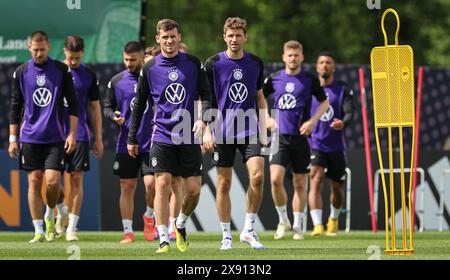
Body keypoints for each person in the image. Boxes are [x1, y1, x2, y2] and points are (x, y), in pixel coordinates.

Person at [128, 18, 213, 253]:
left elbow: (207, 95)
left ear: (179, 37)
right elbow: (139, 105)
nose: (169, 40)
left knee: (194, 191)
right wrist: (132, 137)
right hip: (162, 135)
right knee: (162, 184)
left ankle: (181, 223)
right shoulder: (150, 67)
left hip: (188, 135)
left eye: (173, 36)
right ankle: (164, 238)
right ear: (158, 39)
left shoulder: (193, 64)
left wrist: (202, 119)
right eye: (164, 37)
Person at [205, 17, 270, 250]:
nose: (234, 39)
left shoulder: (255, 63)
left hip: (249, 129)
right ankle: (226, 235)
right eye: (230, 35)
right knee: (223, 184)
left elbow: (260, 97)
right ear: (224, 37)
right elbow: (204, 99)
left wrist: (264, 126)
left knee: (258, 176)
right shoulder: (213, 64)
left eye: (238, 35)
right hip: (221, 131)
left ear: (245, 37)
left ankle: (249, 230)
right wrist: (205, 130)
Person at [8, 31, 79, 243]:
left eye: (42, 49)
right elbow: (14, 107)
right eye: (35, 49)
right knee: (34, 180)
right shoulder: (20, 72)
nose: (39, 53)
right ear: (29, 48)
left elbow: (73, 104)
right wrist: (13, 139)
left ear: (48, 47)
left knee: (52, 182)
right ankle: (39, 231)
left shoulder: (61, 69)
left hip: (55, 137)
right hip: (29, 137)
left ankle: (51, 214)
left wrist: (72, 134)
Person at [263, 40, 329, 240]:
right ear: (283, 57)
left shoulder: (309, 79)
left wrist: (312, 121)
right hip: (279, 137)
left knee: (300, 183)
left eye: (296, 55)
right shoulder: (274, 79)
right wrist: (265, 117)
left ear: (301, 57)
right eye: (289, 55)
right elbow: (259, 98)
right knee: (275, 179)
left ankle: (298, 225)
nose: (292, 58)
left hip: (301, 139)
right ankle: (283, 221)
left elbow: (325, 102)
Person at [44, 35, 103, 242]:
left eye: (77, 58)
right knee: (53, 182)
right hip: (54, 134)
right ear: (64, 53)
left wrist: (99, 138)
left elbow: (95, 108)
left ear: (82, 53)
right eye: (70, 57)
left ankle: (71, 229)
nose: (74, 62)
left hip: (80, 135)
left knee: (76, 179)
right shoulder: (53, 71)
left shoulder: (88, 75)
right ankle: (61, 209)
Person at [104, 41, 157, 243]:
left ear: (142, 57)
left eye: (133, 59)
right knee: (127, 186)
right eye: (126, 59)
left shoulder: (153, 78)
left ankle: (149, 217)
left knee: (151, 184)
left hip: (150, 142)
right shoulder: (117, 81)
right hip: (125, 143)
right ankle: (128, 232)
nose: (128, 63)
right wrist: (113, 116)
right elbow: (107, 107)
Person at [308, 52, 354, 236]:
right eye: (321, 62)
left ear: (333, 67)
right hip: (315, 143)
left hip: (336, 146)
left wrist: (344, 122)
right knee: (316, 179)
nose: (325, 65)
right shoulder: (310, 89)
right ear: (317, 67)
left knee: (337, 187)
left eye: (328, 63)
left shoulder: (342, 89)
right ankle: (318, 225)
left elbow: (350, 112)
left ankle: (333, 220)